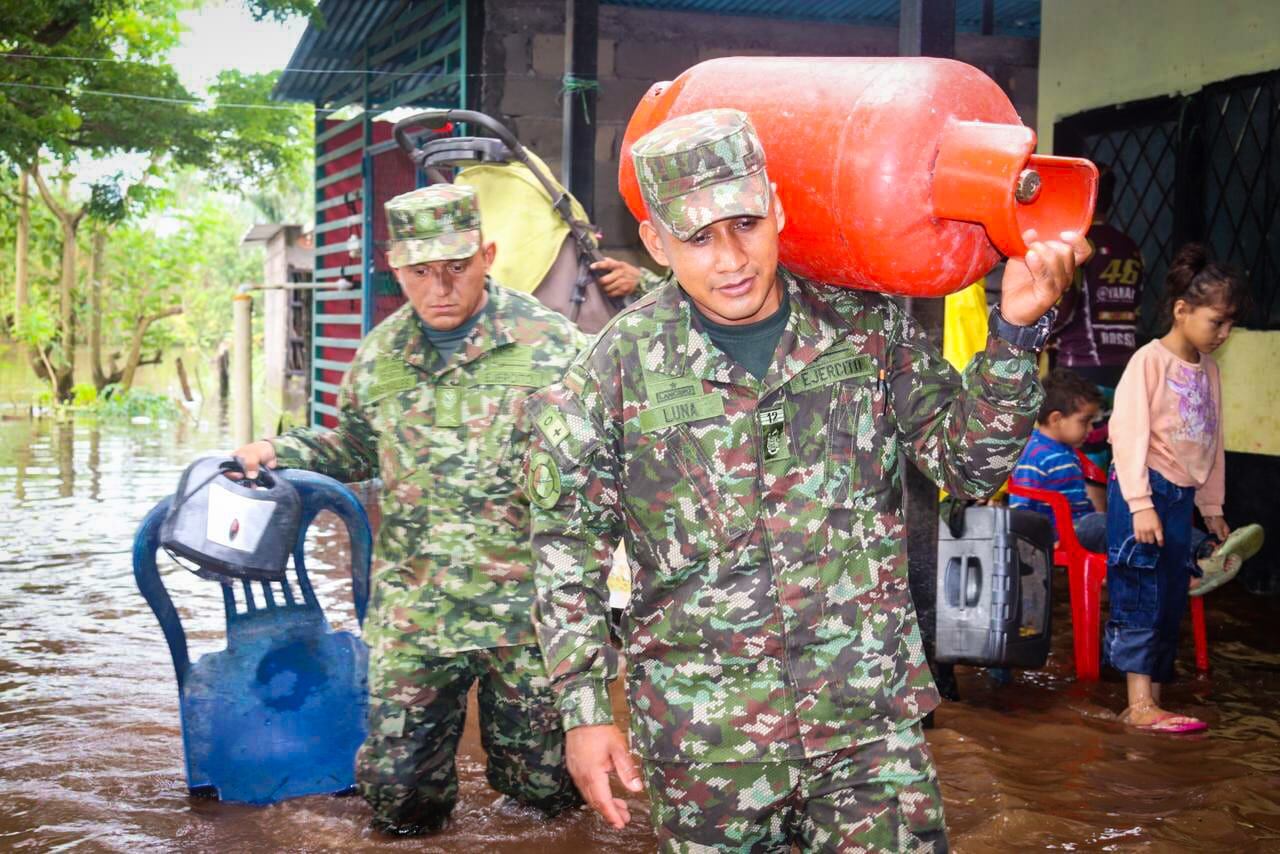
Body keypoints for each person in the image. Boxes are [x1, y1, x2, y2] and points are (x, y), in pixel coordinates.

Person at [522, 109, 1089, 851]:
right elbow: (566, 551)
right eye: (698, 236)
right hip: (709, 740)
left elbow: (968, 466)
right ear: (657, 244)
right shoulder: (613, 370)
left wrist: (1013, 336)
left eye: (746, 223)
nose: (731, 258)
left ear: (779, 210)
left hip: (870, 723)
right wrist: (586, 711)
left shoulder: (865, 324)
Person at [231, 184, 587, 834]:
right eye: (421, 271)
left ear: (487, 254)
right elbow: (353, 448)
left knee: (544, 803)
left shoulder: (552, 344)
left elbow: (604, 457)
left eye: (456, 266)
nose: (440, 286)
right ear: (396, 266)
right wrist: (278, 451)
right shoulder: (379, 359)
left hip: (526, 618)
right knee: (398, 797)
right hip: (417, 612)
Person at [1104, 243, 1250, 733]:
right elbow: (1126, 434)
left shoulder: (1208, 371)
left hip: (1180, 497)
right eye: (1217, 322)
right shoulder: (1149, 362)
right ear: (1182, 310)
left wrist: (1211, 506)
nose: (1224, 335)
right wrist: (1140, 504)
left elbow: (1213, 439)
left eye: (1230, 325)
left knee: (1168, 597)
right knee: (1139, 589)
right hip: (1143, 491)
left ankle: (1148, 703)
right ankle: (1139, 703)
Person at [1010, 369, 1107, 551]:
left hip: (1079, 525)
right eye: (1084, 421)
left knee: (1116, 524)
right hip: (1059, 533)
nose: (1091, 429)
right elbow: (1020, 506)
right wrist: (1033, 543)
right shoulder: (1036, 454)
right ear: (1056, 419)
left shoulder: (1066, 450)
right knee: (1113, 527)